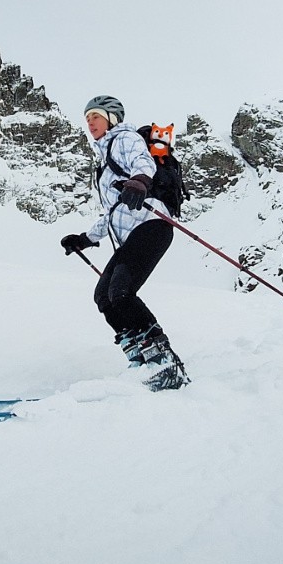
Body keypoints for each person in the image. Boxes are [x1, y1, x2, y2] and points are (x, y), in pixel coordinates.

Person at [60, 95, 189, 391]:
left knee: (121, 291)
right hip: (131, 235)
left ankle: (165, 363)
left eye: (96, 115)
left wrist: (140, 182)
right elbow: (111, 212)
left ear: (113, 118)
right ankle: (140, 359)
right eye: (87, 117)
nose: (90, 122)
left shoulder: (124, 138)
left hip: (152, 226)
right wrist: (85, 239)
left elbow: (143, 163)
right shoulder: (104, 163)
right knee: (103, 296)